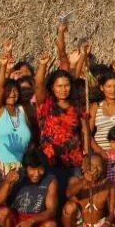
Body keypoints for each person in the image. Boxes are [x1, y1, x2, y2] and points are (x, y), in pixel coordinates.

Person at [0, 43, 34, 205]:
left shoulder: (23, 111)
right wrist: (4, 66)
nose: (12, 93)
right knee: (0, 211)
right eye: (8, 90)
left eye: (15, 90)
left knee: (20, 209)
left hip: (21, 168)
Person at [0, 150, 59, 227]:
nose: (37, 173)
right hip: (15, 220)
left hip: (35, 221)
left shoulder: (50, 180)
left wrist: (31, 221)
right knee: (2, 212)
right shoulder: (16, 176)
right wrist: (7, 182)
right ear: (25, 168)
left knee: (51, 226)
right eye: (32, 169)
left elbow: (52, 210)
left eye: (40, 169)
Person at [34, 52, 86, 197]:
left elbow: (84, 131)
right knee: (53, 199)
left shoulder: (75, 106)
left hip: (74, 160)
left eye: (67, 85)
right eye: (59, 86)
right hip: (51, 161)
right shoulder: (45, 105)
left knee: (73, 199)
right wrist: (43, 65)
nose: (64, 89)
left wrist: (86, 153)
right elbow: (38, 85)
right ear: (51, 88)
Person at [61, 153, 115, 227]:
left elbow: (111, 213)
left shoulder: (109, 185)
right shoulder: (76, 180)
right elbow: (68, 193)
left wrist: (105, 226)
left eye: (98, 166)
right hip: (80, 225)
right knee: (69, 207)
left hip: (98, 225)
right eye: (92, 166)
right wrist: (84, 182)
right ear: (85, 167)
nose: (95, 170)